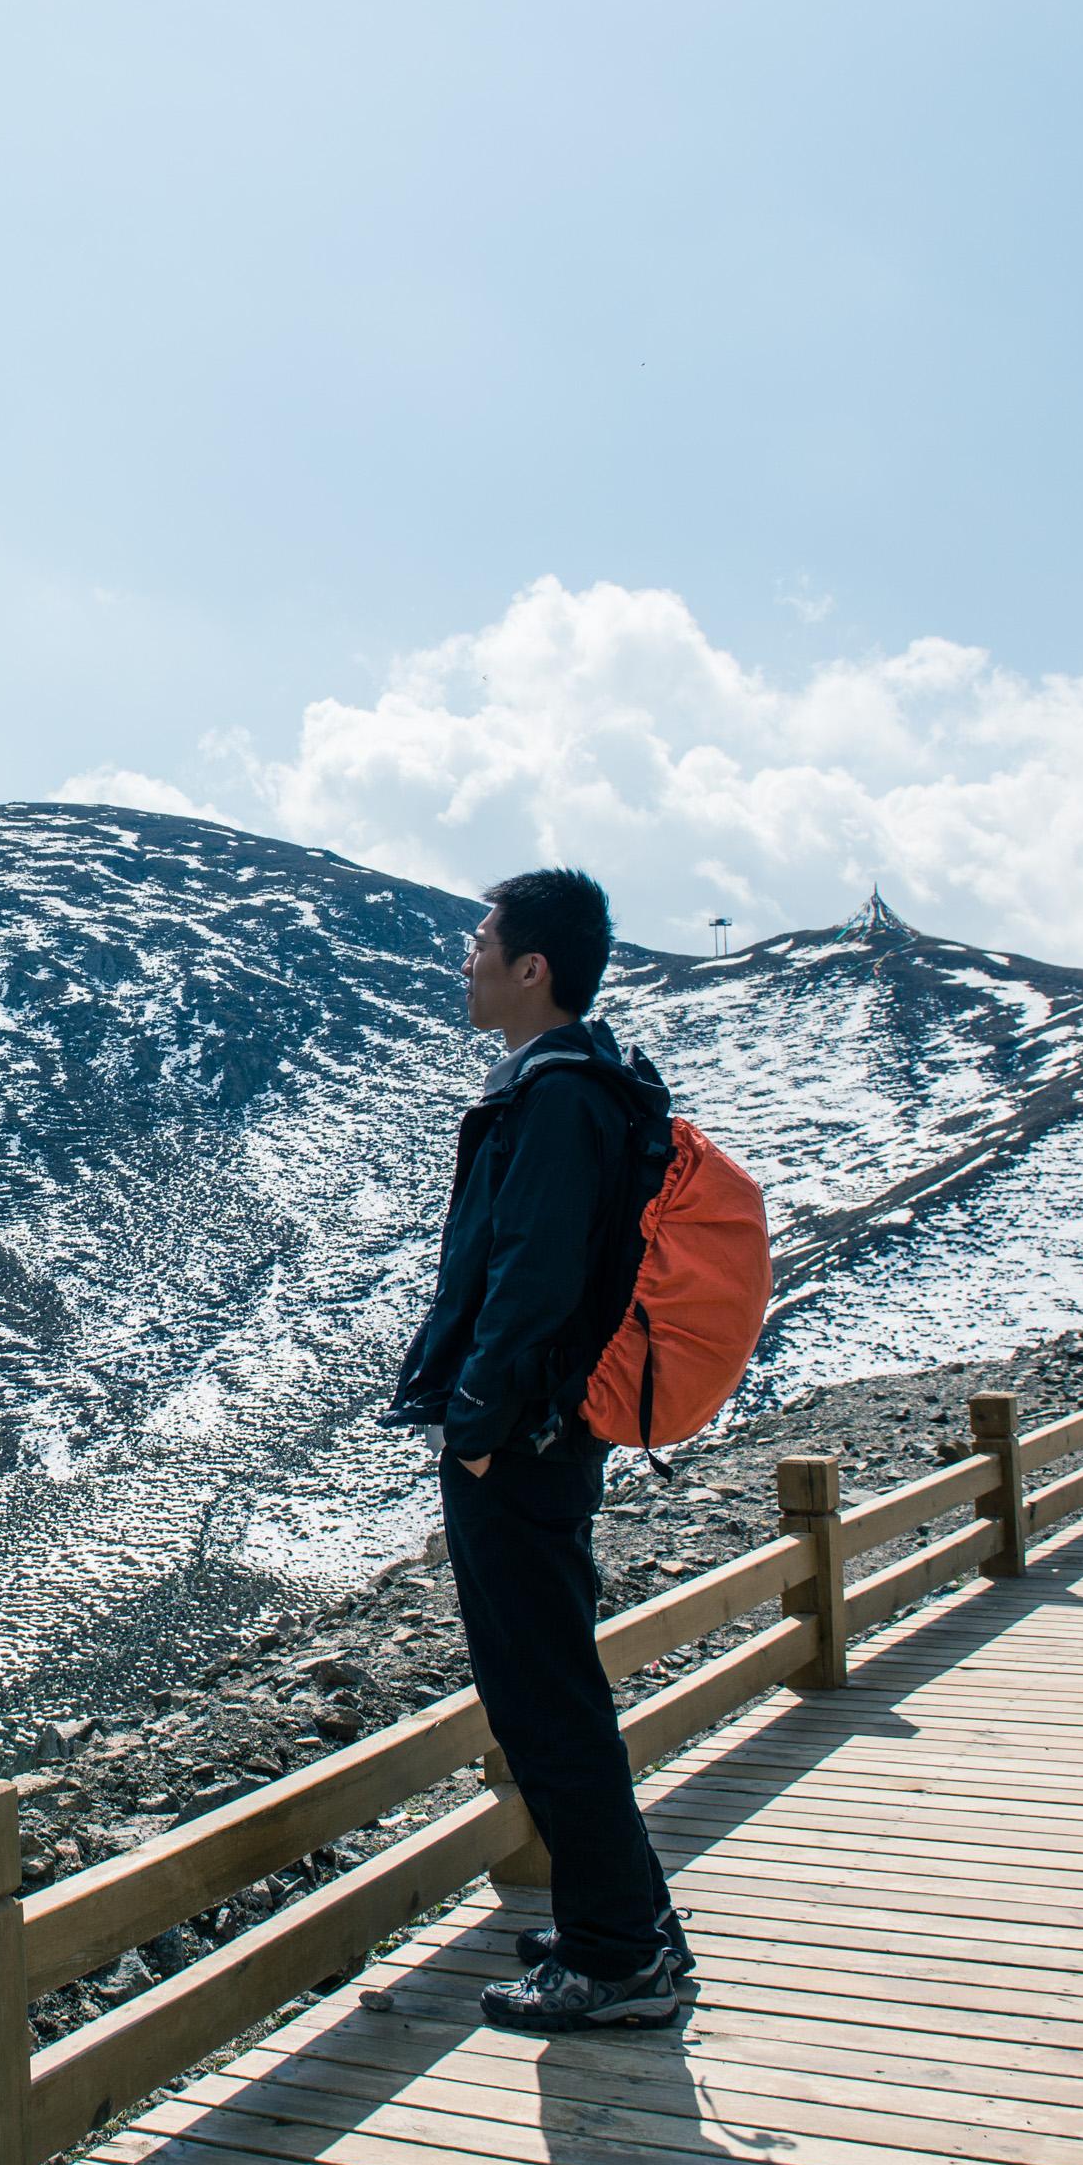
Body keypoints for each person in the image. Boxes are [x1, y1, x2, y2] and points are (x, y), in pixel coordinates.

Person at [389, 866, 693, 2031]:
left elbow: (532, 1275)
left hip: (521, 1439)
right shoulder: (572, 1084)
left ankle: (617, 1957)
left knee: (542, 1693)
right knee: (547, 1685)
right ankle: (615, 1922)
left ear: (531, 967)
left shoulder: (558, 1095)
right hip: (541, 1431)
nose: (463, 961)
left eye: (480, 943)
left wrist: (473, 1432)